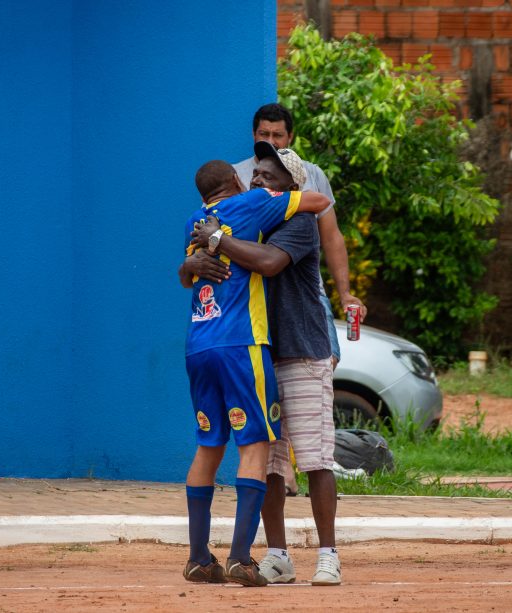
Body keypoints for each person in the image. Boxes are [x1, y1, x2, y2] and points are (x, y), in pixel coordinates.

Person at [191, 142, 344, 586]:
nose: (257, 180)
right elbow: (196, 268)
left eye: (268, 175)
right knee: (273, 464)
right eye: (255, 173)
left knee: (315, 460)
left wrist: (217, 241)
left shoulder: (298, 221)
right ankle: (278, 555)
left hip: (302, 351)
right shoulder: (249, 221)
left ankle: (327, 554)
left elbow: (271, 264)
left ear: (291, 186)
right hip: (259, 354)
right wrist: (199, 259)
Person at [233, 102, 367, 366]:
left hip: (307, 294)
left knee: (326, 360)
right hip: (254, 293)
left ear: (290, 137)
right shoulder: (235, 174)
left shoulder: (312, 174)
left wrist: (346, 294)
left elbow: (331, 237)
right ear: (253, 135)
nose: (270, 141)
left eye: (277, 135)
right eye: (264, 134)